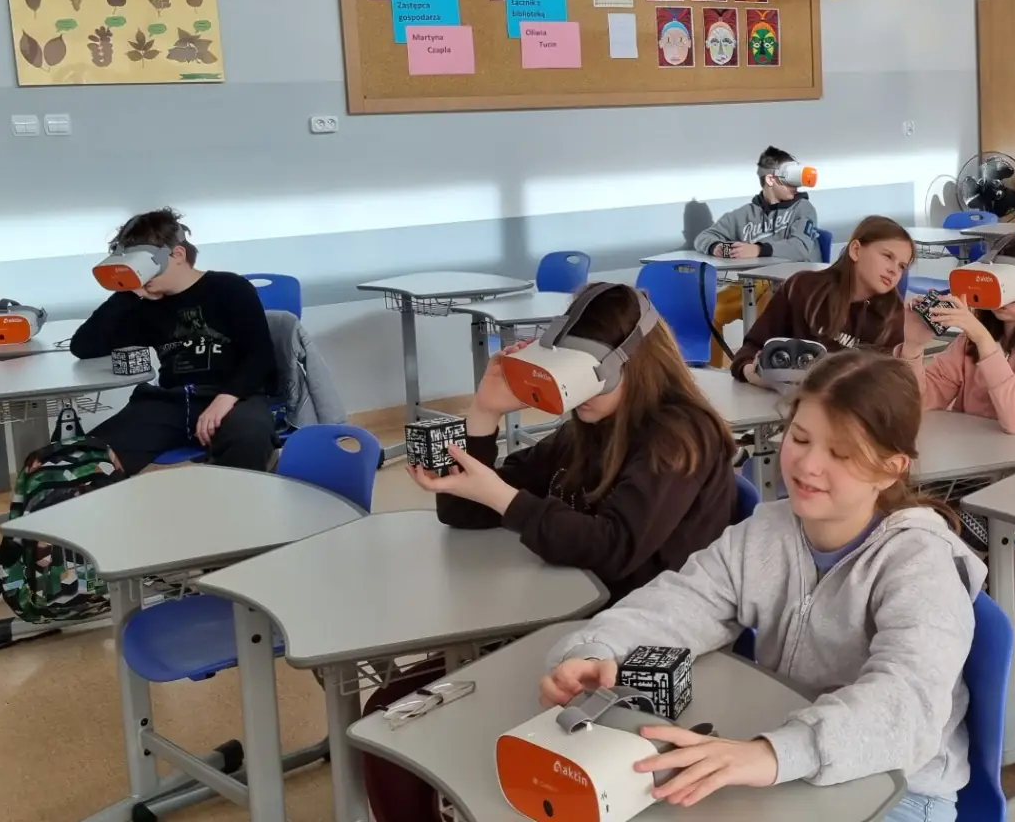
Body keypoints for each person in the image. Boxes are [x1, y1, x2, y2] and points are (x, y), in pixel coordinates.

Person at [538, 350, 983, 822]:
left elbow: (907, 705)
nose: (808, 464)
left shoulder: (921, 562)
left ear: (891, 468)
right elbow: (680, 602)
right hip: (785, 755)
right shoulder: (766, 532)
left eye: (840, 454)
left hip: (899, 788)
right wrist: (595, 650)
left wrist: (774, 753)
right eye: (800, 437)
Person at [409, 283, 736, 602]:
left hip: (651, 620)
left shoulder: (681, 440)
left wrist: (504, 498)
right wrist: (484, 411)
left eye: (587, 375)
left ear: (634, 367)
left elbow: (614, 550)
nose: (575, 390)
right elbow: (462, 511)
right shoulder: (585, 432)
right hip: (578, 603)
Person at [69, 208, 278, 474]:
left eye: (145, 267)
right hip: (171, 401)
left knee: (249, 438)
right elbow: (84, 346)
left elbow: (260, 355)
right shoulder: (146, 306)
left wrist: (226, 398)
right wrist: (128, 291)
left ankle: (233, 497)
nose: (144, 276)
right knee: (87, 457)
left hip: (232, 395)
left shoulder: (229, 288)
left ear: (178, 255)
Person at [903, 229, 1015, 436]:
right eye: (995, 284)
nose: (1002, 296)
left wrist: (985, 343)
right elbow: (917, 402)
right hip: (973, 449)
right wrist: (913, 346)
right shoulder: (970, 341)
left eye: (1011, 287)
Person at [732, 216, 914, 385]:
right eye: (888, 256)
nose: (894, 270)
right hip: (781, 399)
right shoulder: (802, 288)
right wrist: (752, 373)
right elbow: (751, 349)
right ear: (856, 250)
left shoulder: (894, 319)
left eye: (902, 266)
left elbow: (887, 389)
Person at [695, 146, 824, 367]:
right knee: (711, 310)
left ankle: (758, 369)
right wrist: (716, 247)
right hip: (752, 284)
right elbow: (704, 237)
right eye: (790, 179)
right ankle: (715, 372)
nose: (796, 185)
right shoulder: (744, 215)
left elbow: (800, 247)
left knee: (765, 315)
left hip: (790, 288)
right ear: (771, 179)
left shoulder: (804, 209)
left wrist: (758, 249)